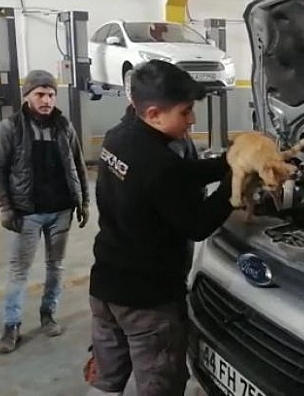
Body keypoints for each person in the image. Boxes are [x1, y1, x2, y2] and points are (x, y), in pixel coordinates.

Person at [88, 59, 233, 396]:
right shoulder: (158, 164)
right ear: (154, 113)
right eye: (185, 112)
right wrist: (234, 185)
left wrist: (228, 161)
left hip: (106, 289)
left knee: (106, 381)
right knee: (160, 384)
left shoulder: (118, 138)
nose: (192, 119)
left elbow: (179, 175)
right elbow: (198, 224)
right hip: (147, 302)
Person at [0, 69, 90, 354]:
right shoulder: (11, 128)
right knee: (19, 271)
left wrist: (82, 202)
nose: (46, 100)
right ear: (28, 97)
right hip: (27, 212)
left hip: (61, 210)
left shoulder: (64, 126)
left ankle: (48, 314)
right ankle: (11, 326)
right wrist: (6, 208)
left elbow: (78, 165)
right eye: (40, 94)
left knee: (55, 267)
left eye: (50, 94)